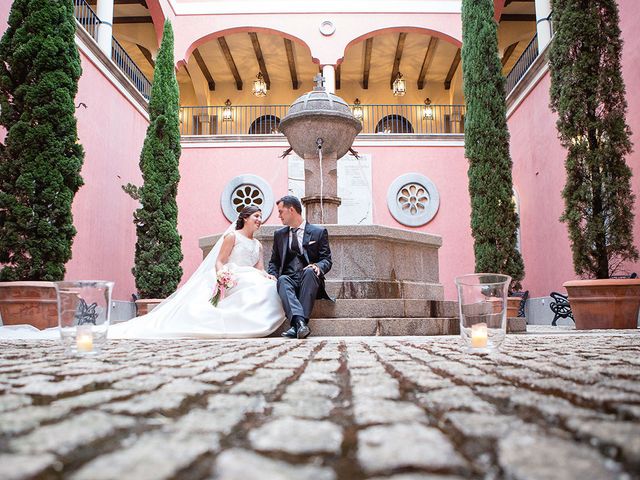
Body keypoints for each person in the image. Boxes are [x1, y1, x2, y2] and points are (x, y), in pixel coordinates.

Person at [0, 205, 286, 339]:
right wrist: (224, 276)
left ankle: (256, 322)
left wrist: (266, 275)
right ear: (245, 218)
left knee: (265, 284)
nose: (260, 220)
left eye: (261, 216)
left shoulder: (258, 244)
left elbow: (258, 267)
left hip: (247, 276)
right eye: (256, 216)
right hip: (230, 276)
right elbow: (219, 263)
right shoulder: (231, 238)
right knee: (249, 284)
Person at [268, 195, 332, 339]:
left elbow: (327, 260)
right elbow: (274, 262)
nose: (279, 216)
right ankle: (301, 324)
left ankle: (296, 324)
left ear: (291, 210)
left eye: (280, 212)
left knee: (310, 271)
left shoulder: (318, 232)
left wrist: (318, 267)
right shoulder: (279, 235)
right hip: (289, 278)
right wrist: (272, 274)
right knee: (282, 279)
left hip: (308, 279)